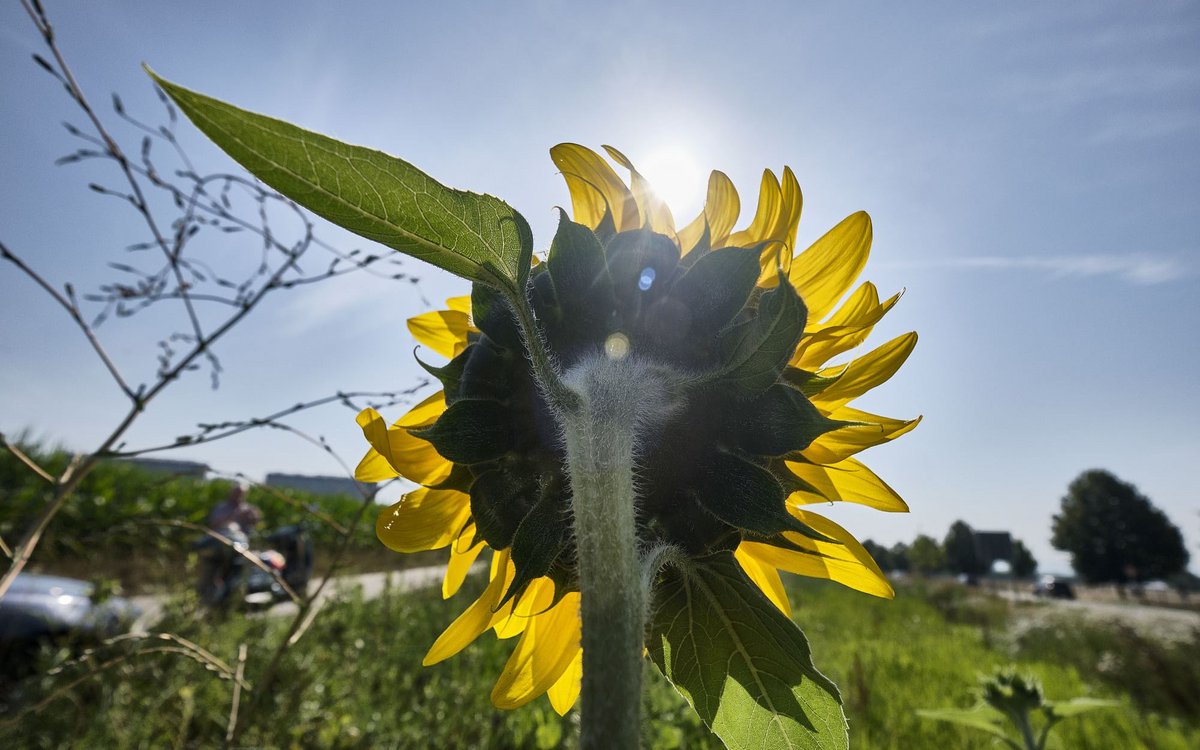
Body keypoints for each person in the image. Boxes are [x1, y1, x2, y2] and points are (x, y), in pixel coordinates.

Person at [197, 483, 261, 606]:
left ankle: (235, 597)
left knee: (239, 574)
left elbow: (255, 524)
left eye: (240, 494)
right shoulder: (222, 508)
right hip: (218, 546)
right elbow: (214, 523)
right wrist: (235, 515)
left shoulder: (247, 508)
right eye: (236, 493)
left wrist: (253, 516)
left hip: (240, 549)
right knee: (209, 573)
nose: (238, 496)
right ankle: (206, 595)